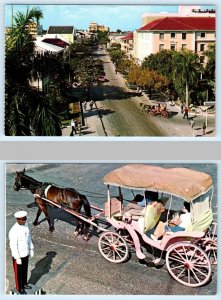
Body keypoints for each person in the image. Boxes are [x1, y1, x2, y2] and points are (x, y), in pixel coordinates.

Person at [9, 211, 34, 294]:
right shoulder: (13, 231)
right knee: (18, 273)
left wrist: (31, 249)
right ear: (17, 220)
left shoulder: (25, 225)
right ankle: (20, 288)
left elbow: (29, 238)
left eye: (25, 219)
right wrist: (17, 257)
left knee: (24, 270)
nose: (24, 221)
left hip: (25, 252)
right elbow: (13, 246)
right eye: (22, 220)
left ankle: (24, 283)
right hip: (18, 255)